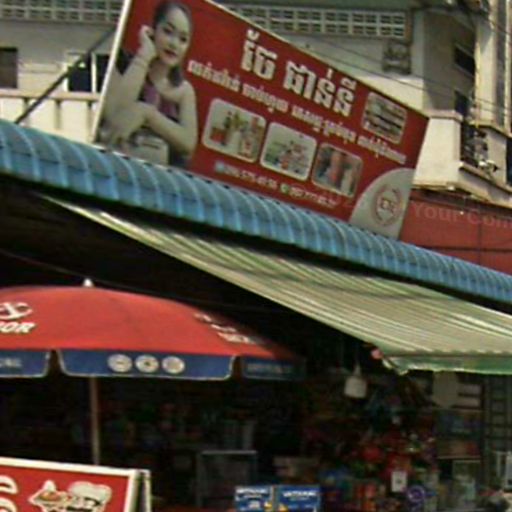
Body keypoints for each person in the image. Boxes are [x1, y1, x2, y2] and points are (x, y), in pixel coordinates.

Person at [98, 1, 198, 167]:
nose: (174, 44)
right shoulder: (123, 66)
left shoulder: (184, 90)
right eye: (167, 32)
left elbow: (188, 143)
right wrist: (144, 55)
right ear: (153, 31)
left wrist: (147, 113)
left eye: (183, 39)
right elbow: (114, 116)